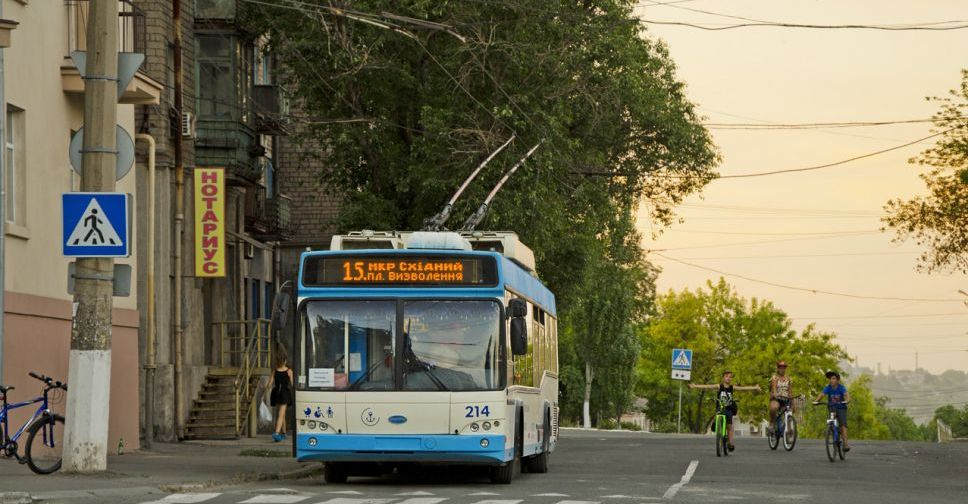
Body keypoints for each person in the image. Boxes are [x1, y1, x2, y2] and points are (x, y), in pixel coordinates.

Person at [691, 370, 760, 451]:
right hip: (720, 407)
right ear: (723, 378)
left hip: (728, 408)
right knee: (717, 417)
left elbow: (743, 389)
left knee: (730, 426)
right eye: (726, 376)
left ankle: (730, 443)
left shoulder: (732, 387)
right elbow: (707, 386)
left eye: (730, 377)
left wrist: (755, 387)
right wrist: (695, 386)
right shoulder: (719, 386)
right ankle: (716, 426)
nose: (728, 378)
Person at [813, 370, 850, 452]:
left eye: (833, 378)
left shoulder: (841, 388)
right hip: (832, 408)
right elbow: (822, 394)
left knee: (843, 425)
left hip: (841, 408)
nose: (831, 380)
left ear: (837, 380)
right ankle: (832, 431)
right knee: (831, 422)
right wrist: (816, 401)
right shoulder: (828, 388)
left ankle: (845, 443)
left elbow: (846, 395)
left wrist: (847, 400)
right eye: (830, 379)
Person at [267, 354, 294, 442]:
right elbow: (292, 384)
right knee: (281, 414)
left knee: (282, 414)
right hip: (284, 393)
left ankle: (284, 433)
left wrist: (264, 391)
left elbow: (269, 385)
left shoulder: (275, 371)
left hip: (276, 393)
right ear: (285, 361)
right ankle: (277, 433)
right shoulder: (289, 371)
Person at [768, 360, 793, 435]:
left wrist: (792, 400)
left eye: (784, 367)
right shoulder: (774, 377)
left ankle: (789, 429)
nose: (782, 369)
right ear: (778, 368)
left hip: (785, 399)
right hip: (777, 398)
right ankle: (772, 423)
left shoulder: (789, 379)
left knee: (790, 412)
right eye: (780, 367)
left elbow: (790, 391)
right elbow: (774, 387)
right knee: (774, 407)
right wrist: (775, 394)